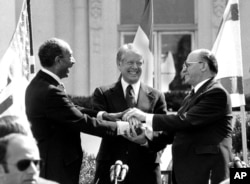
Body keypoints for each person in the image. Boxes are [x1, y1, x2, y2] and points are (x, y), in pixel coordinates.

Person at [25, 38, 129, 184]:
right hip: (56, 169)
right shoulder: (50, 91)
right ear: (58, 60)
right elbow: (81, 121)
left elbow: (69, 109)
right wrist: (123, 127)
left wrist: (104, 115)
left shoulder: (41, 84)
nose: (73, 61)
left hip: (52, 164)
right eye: (70, 56)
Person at [123, 49, 233, 184]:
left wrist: (146, 117)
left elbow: (186, 121)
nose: (183, 70)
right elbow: (174, 131)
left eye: (187, 65)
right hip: (188, 173)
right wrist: (146, 140)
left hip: (206, 173)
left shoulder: (216, 93)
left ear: (203, 66)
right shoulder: (191, 96)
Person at [92, 43, 172, 184]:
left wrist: (145, 140)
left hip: (146, 169)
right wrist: (126, 124)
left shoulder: (157, 96)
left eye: (139, 63)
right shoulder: (103, 93)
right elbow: (98, 125)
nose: (135, 67)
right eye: (130, 62)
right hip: (111, 167)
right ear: (119, 64)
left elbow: (164, 132)